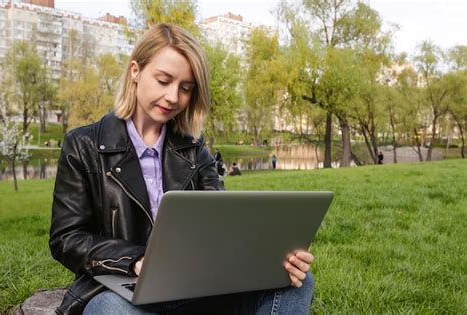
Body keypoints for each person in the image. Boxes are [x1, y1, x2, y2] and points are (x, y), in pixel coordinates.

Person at [49, 23, 314, 315]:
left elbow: (222, 220)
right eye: (164, 81)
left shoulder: (193, 147)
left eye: (186, 88)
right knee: (111, 310)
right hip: (121, 288)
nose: (174, 97)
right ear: (135, 71)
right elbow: (67, 238)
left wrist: (274, 258)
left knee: (296, 281)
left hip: (195, 285)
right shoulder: (83, 144)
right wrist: (136, 259)